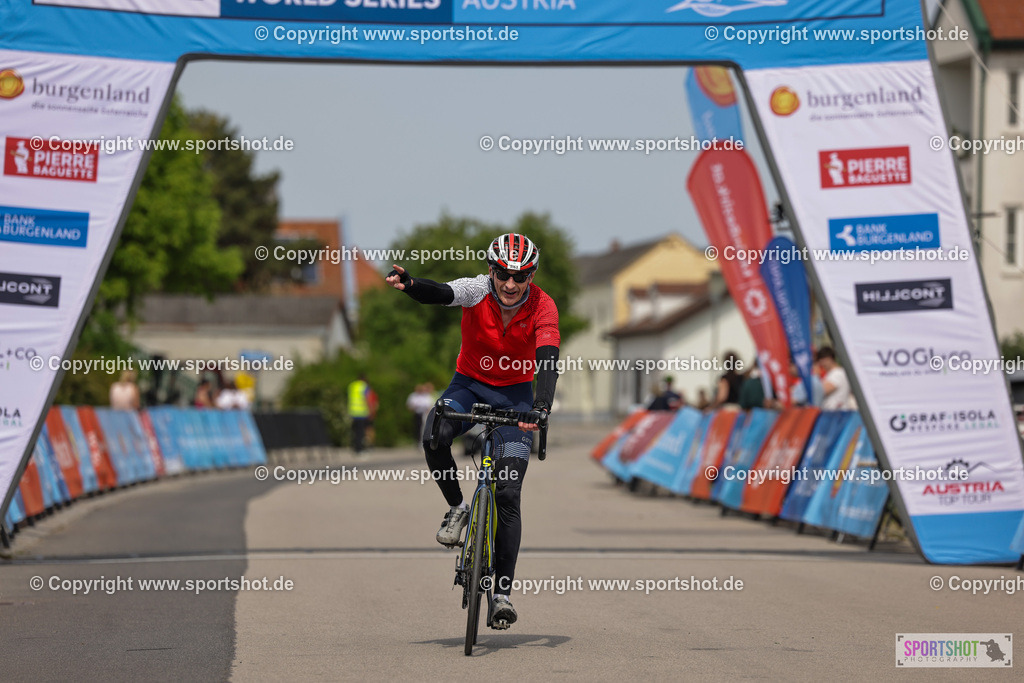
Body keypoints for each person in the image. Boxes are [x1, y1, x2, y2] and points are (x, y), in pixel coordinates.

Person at [385, 232, 559, 630]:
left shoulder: (544, 307)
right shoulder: (477, 289)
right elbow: (442, 293)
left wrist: (541, 407)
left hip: (516, 396)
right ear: (491, 270)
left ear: (531, 275)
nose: (510, 284)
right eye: (503, 274)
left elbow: (548, 359)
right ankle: (457, 508)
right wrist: (411, 285)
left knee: (509, 492)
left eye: (520, 276)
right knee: (435, 435)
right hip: (469, 384)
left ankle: (501, 594)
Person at [816, 346, 852, 410]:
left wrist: (815, 376)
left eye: (823, 360)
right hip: (833, 413)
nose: (821, 364)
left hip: (838, 413)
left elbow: (822, 391)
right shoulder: (831, 374)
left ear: (830, 359)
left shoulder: (837, 373)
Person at [348, 373, 372, 457]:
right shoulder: (364, 386)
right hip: (361, 412)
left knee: (355, 432)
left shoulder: (352, 385)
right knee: (361, 432)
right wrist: (370, 410)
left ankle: (355, 448)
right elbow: (368, 399)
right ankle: (360, 449)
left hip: (353, 412)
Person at [406, 383, 435, 448]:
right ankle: (418, 442)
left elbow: (430, 405)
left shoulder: (427, 396)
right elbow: (410, 406)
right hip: (417, 414)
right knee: (418, 428)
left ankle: (424, 442)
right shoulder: (413, 396)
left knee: (424, 428)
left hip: (425, 414)